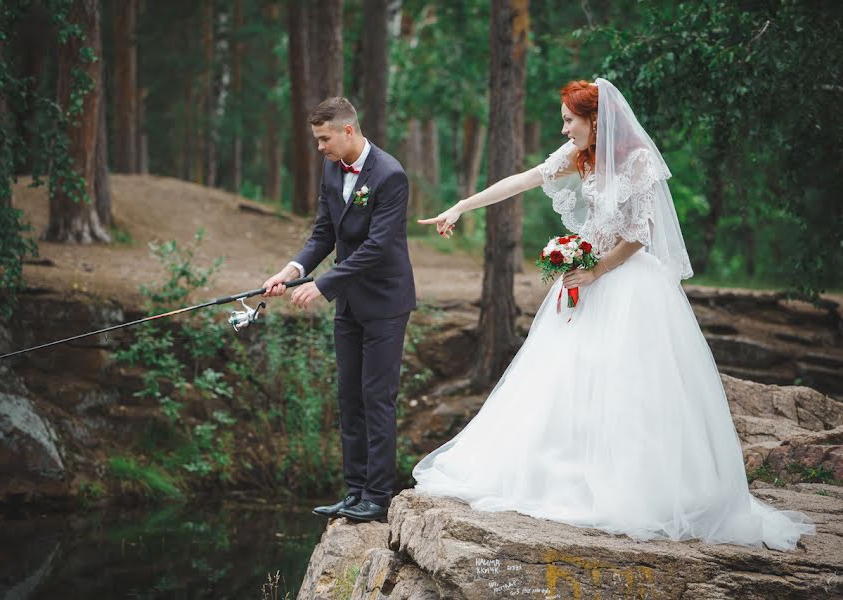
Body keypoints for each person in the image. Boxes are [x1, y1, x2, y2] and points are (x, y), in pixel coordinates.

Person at [413, 78, 815, 550]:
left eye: (569, 120)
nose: (563, 130)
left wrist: (597, 270)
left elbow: (641, 232)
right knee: (566, 378)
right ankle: (565, 472)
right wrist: (462, 206)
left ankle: (635, 487)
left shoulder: (638, 161)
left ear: (595, 120)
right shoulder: (578, 158)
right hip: (588, 280)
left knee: (629, 385)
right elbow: (523, 180)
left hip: (627, 285)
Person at [263, 97, 416, 523]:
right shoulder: (332, 168)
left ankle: (378, 496)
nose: (320, 148)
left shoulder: (390, 175)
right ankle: (354, 492)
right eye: (316, 140)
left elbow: (377, 247)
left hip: (385, 302)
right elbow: (323, 233)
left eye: (324, 139)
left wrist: (322, 285)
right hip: (349, 303)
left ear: (348, 130)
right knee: (349, 397)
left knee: (377, 398)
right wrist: (291, 270)